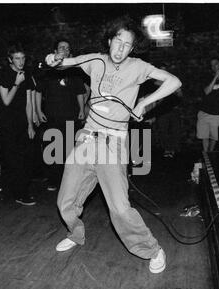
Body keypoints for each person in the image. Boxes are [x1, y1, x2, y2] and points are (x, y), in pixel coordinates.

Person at [45, 16, 182, 273]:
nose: (120, 48)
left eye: (126, 44)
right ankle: (75, 235)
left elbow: (174, 82)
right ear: (109, 41)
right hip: (87, 137)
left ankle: (152, 249)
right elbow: (66, 62)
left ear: (132, 48)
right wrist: (54, 60)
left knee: (119, 209)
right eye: (117, 41)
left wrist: (144, 103)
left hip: (113, 142)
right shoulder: (96, 60)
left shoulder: (138, 67)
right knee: (65, 200)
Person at [35, 39, 86, 191]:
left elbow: (80, 93)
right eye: (61, 47)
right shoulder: (47, 70)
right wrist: (38, 111)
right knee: (53, 151)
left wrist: (82, 110)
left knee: (71, 151)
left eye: (67, 48)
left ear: (70, 52)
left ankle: (71, 183)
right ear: (55, 51)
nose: (64, 49)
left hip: (71, 116)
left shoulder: (74, 71)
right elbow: (38, 92)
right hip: (52, 117)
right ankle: (54, 181)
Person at [0, 44, 37, 205]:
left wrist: (30, 125)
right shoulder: (3, 74)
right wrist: (17, 83)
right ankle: (18, 194)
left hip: (22, 123)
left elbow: (28, 102)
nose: (21, 61)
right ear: (10, 59)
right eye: (17, 58)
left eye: (23, 58)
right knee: (14, 160)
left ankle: (22, 191)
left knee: (26, 159)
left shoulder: (25, 74)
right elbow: (5, 101)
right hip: (8, 124)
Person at [196, 57, 219, 152]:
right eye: (212, 65)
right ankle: (206, 155)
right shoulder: (208, 77)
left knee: (214, 137)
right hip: (204, 111)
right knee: (204, 136)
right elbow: (207, 91)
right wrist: (215, 77)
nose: (214, 66)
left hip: (216, 113)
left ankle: (210, 154)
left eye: (216, 64)